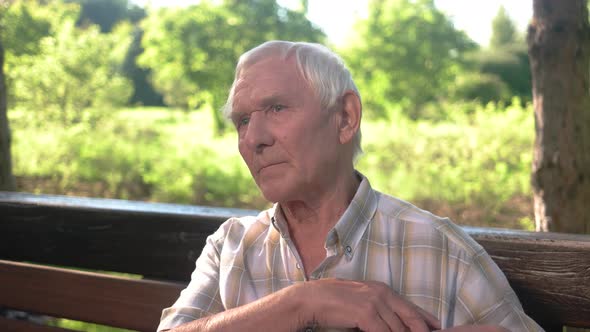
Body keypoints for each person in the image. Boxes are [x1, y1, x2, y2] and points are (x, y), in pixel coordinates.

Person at [157, 40, 543, 332]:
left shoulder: (440, 250)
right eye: (242, 120)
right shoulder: (231, 246)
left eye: (276, 108)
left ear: (345, 117)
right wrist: (302, 302)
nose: (253, 138)